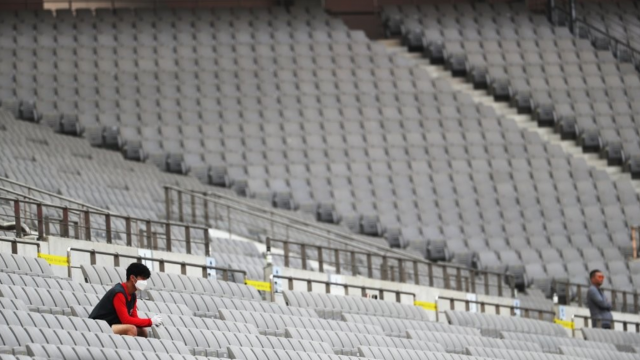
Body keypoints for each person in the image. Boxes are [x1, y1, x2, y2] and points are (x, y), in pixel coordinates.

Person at [89, 263, 162, 337]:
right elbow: (125, 320)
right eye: (143, 278)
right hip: (99, 326)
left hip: (112, 326)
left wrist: (149, 322)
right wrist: (150, 321)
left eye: (145, 279)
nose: (144, 282)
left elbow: (134, 318)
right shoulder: (119, 293)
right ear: (132, 278)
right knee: (131, 329)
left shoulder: (133, 295)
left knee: (143, 331)